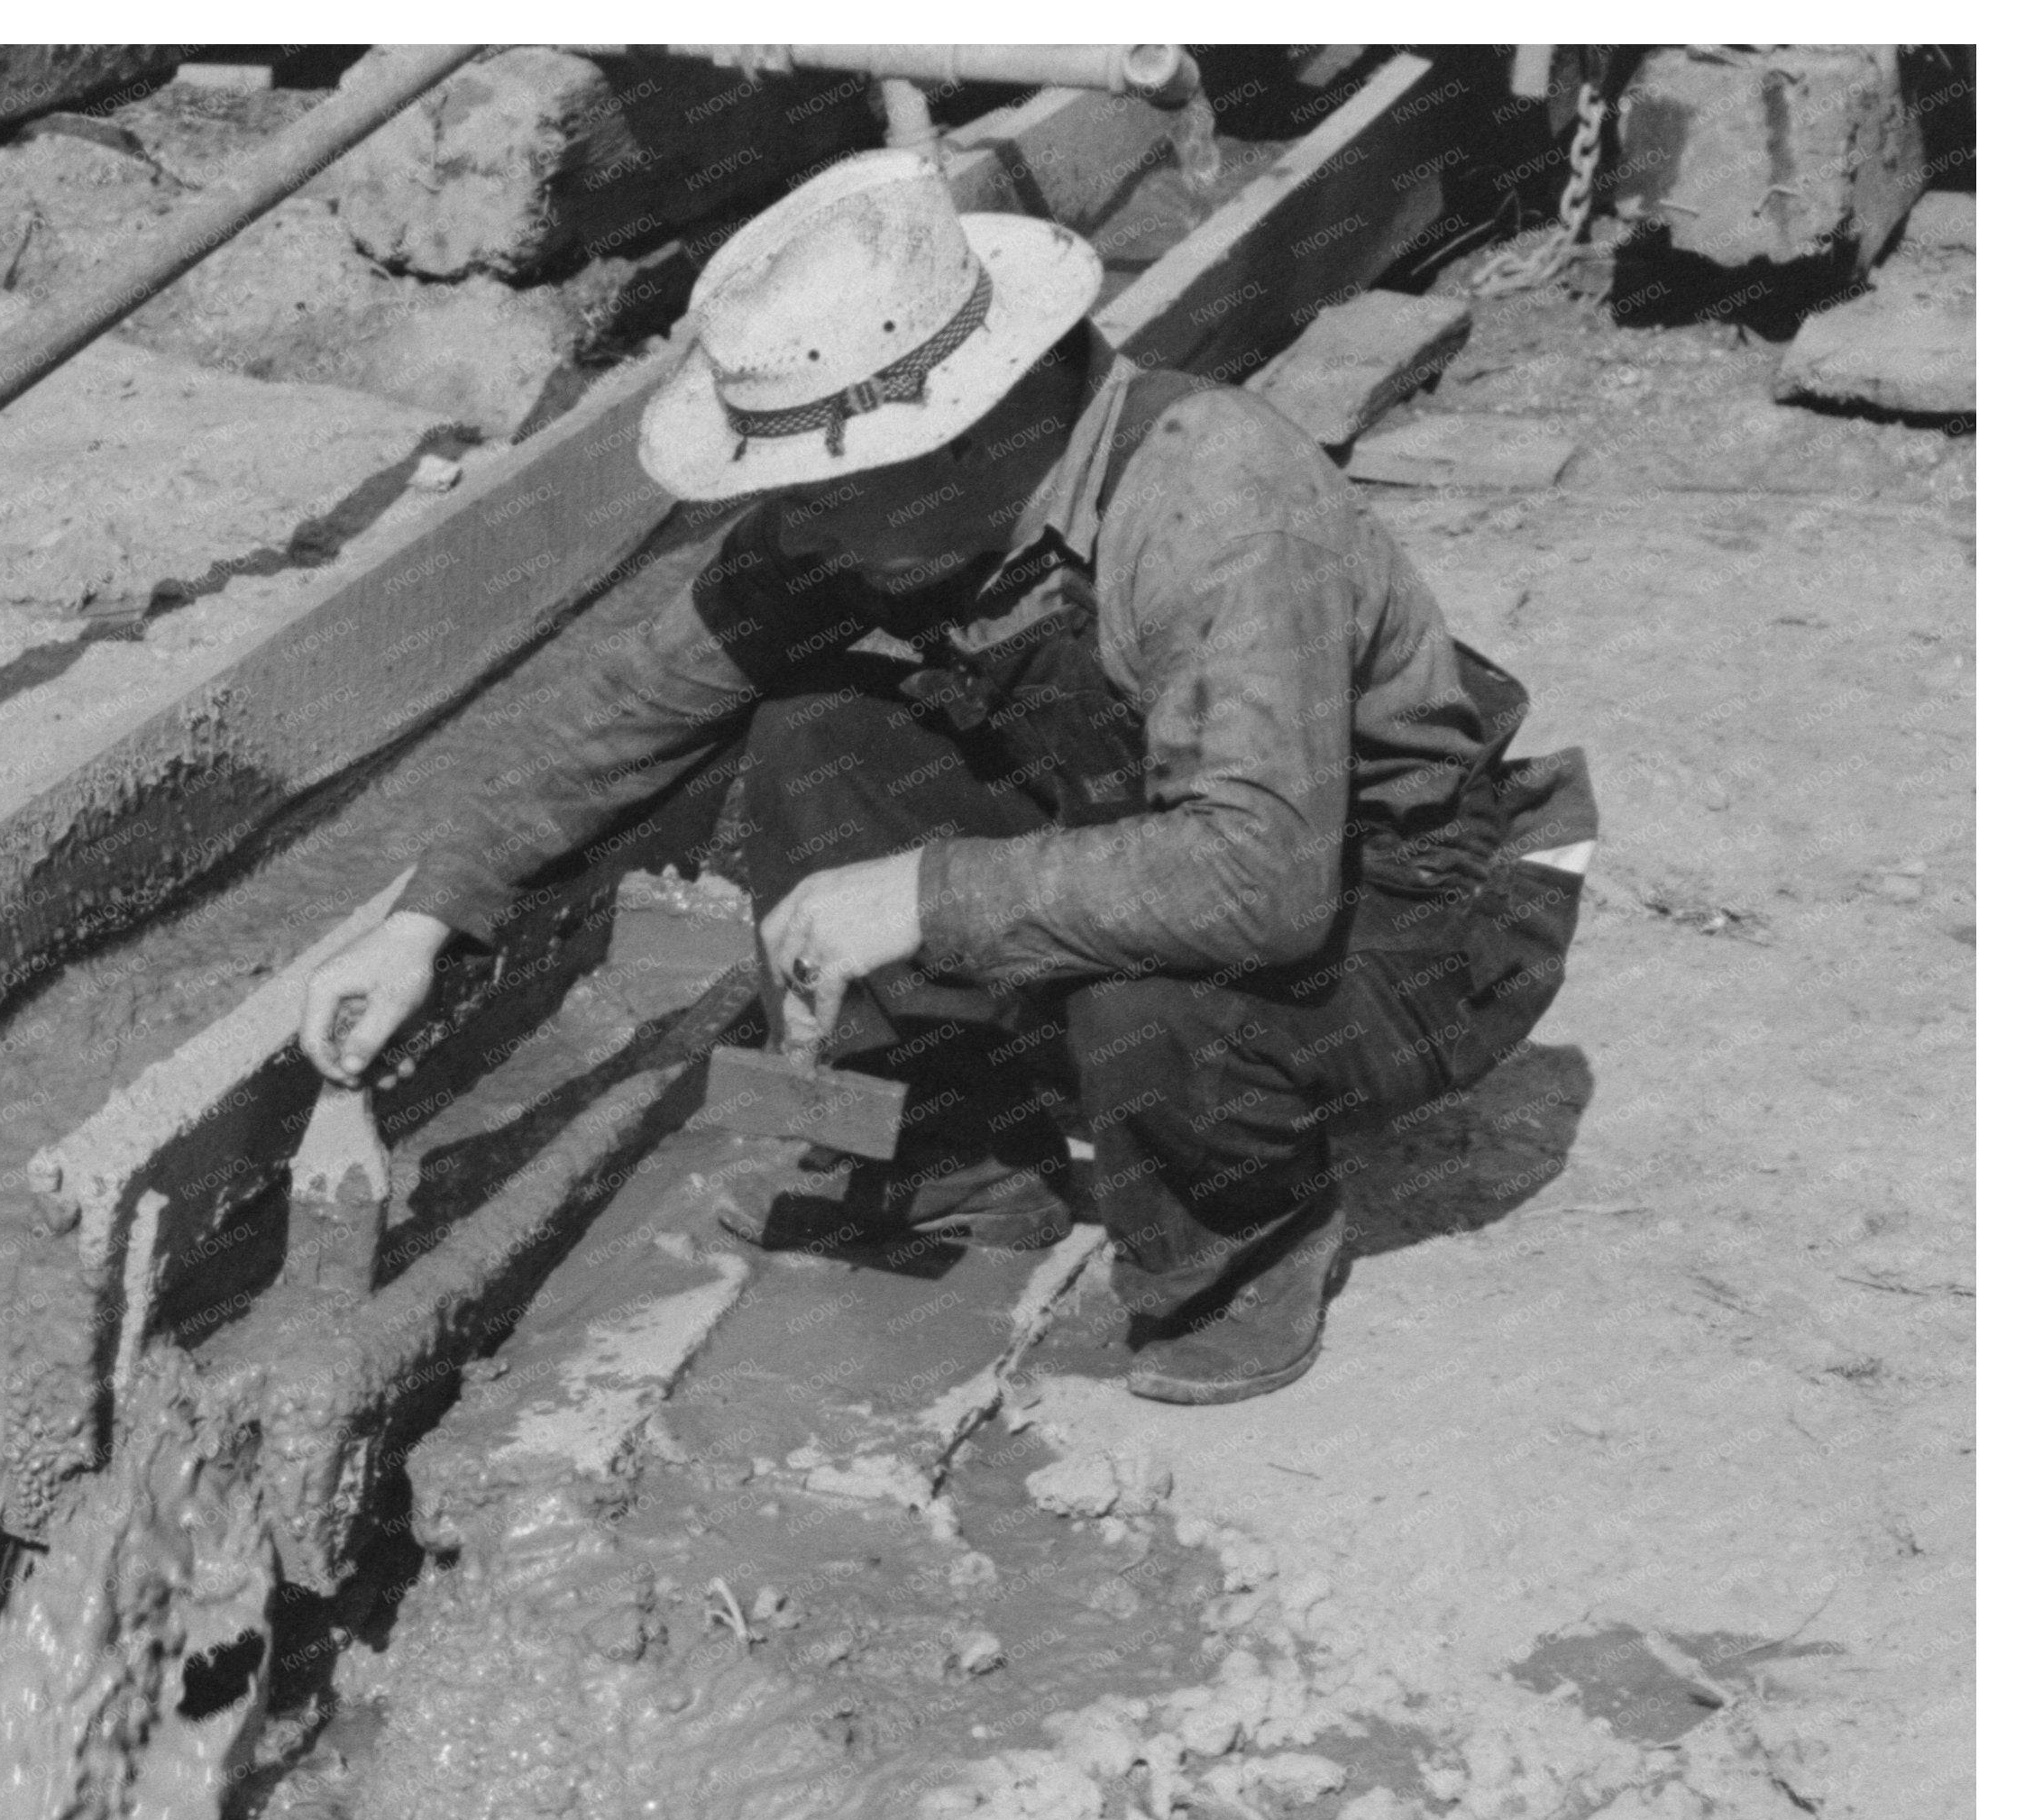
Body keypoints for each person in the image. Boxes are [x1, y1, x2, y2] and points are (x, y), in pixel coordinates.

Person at [299, 149, 1594, 1405]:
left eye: (821, 491)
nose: (792, 524)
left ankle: (1245, 1246)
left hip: (1395, 896)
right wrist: (428, 913)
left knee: (1144, 1000)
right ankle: (952, 1159)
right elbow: (638, 705)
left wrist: (924, 895)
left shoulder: (1213, 502)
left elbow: (1260, 882)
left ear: (969, 432)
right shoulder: (886, 508)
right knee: (818, 736)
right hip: (1171, 821)